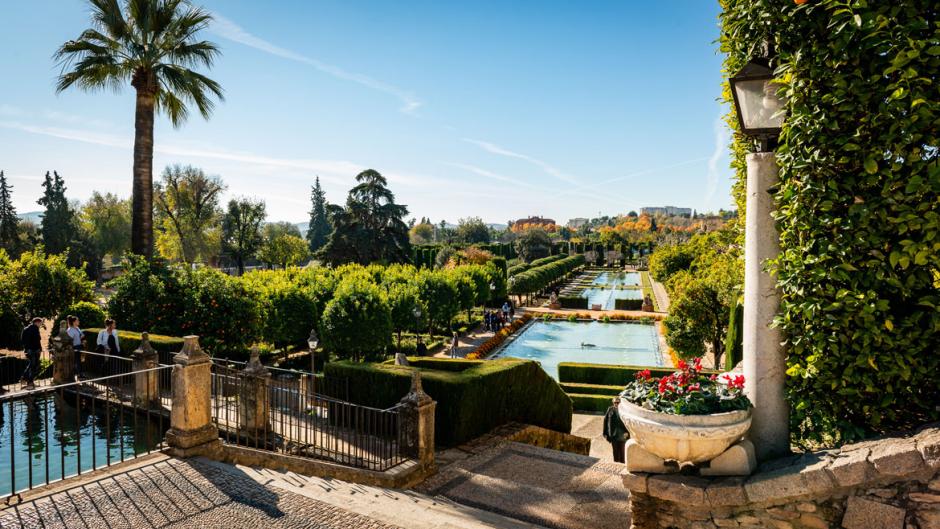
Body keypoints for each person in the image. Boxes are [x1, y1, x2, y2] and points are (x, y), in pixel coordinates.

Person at [603, 397, 629, 463]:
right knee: (615, 452)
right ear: (613, 403)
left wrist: (627, 432)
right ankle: (616, 466)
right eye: (615, 402)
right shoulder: (610, 409)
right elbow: (605, 421)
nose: (616, 404)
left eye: (618, 402)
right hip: (613, 435)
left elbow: (627, 422)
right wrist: (605, 433)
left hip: (622, 435)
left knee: (622, 453)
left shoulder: (624, 410)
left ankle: (622, 466)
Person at [20, 317, 43, 390]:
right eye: (40, 323)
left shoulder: (25, 328)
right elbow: (37, 340)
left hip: (28, 350)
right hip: (34, 350)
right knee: (34, 365)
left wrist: (27, 348)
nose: (41, 324)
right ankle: (29, 380)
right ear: (36, 322)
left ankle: (25, 379)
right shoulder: (35, 328)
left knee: (31, 365)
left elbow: (22, 340)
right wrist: (39, 349)